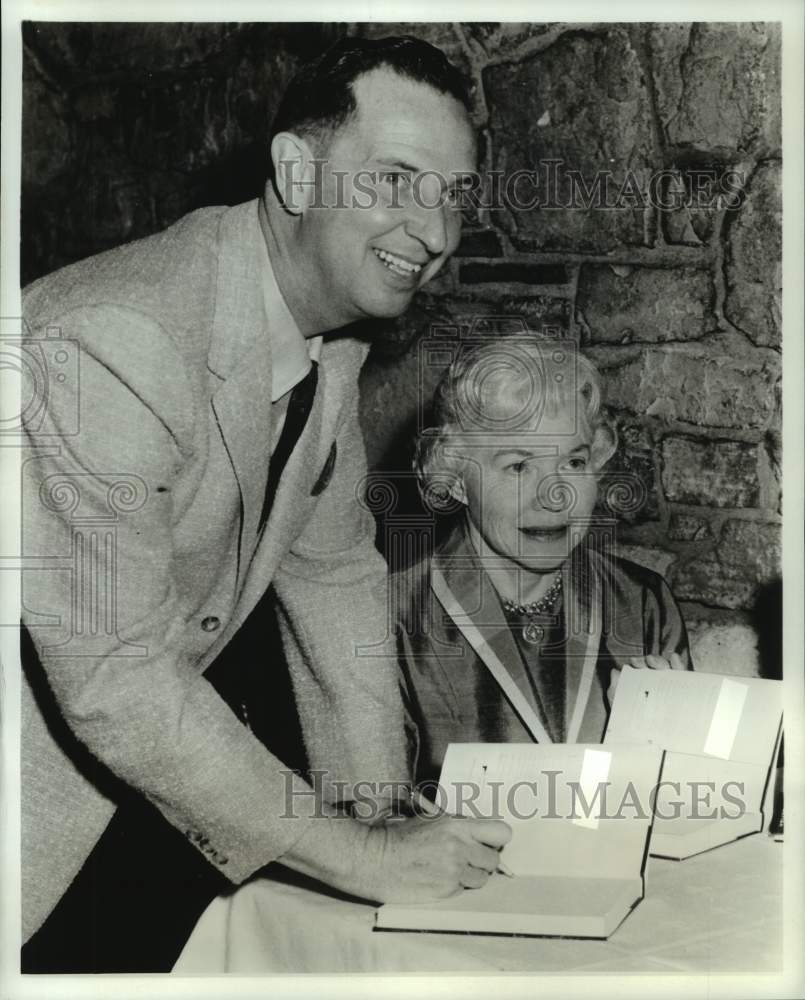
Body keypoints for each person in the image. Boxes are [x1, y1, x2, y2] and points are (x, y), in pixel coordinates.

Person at [19, 35, 510, 972]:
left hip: (125, 788)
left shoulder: (327, 342)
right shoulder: (113, 343)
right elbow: (118, 679)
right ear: (295, 169)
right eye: (397, 180)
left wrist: (381, 812)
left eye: (451, 195)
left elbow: (332, 573)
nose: (435, 233)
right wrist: (364, 858)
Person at [396, 334, 692, 786]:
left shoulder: (642, 603)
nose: (555, 498)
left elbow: (693, 810)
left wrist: (682, 748)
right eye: (518, 466)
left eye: (573, 463)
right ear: (455, 479)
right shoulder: (391, 620)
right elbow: (370, 826)